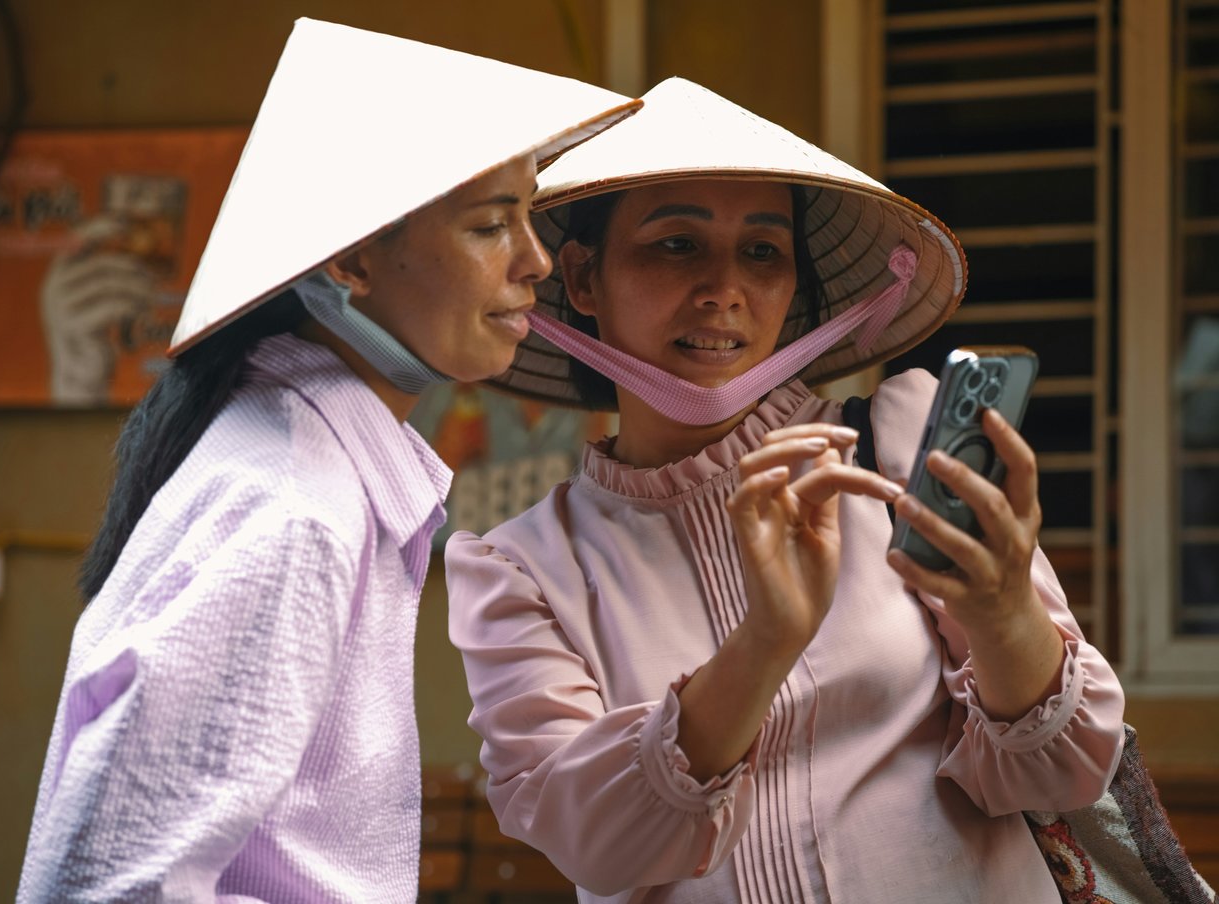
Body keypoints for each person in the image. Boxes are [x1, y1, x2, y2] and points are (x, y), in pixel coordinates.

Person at [446, 77, 1126, 902]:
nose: (724, 288)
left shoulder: (896, 448)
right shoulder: (519, 567)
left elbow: (1060, 774)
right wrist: (764, 643)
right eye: (675, 244)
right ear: (582, 279)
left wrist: (1002, 608)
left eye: (763, 252)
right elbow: (597, 842)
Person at [16, 18, 637, 903]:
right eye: (491, 226)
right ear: (351, 260)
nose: (535, 260)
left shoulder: (300, 468)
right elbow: (113, 887)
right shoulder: (291, 507)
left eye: (529, 218)